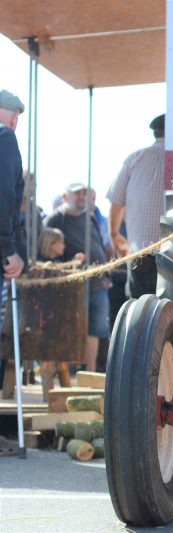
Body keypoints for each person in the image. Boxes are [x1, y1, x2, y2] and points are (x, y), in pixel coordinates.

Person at [44, 182, 110, 372]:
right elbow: (46, 250)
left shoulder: (89, 218)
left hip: (97, 283)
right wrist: (70, 262)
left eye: (83, 193)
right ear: (65, 197)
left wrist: (105, 274)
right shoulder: (56, 219)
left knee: (95, 330)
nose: (81, 197)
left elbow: (98, 245)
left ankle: (89, 373)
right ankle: (66, 373)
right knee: (70, 328)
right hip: (72, 285)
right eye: (76, 194)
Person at [107, 113, 166, 298]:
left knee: (139, 310)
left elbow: (116, 200)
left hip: (141, 249)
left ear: (155, 133)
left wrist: (114, 234)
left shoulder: (135, 159)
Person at [0, 89, 26, 387]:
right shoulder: (4, 138)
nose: (15, 120)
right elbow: (4, 194)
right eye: (12, 112)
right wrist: (9, 249)